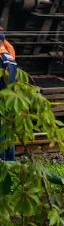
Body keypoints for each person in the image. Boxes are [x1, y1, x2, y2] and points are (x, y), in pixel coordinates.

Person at [0, 25, 17, 161]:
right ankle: (10, 162)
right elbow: (7, 44)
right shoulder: (9, 54)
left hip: (1, 99)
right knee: (7, 132)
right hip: (10, 99)